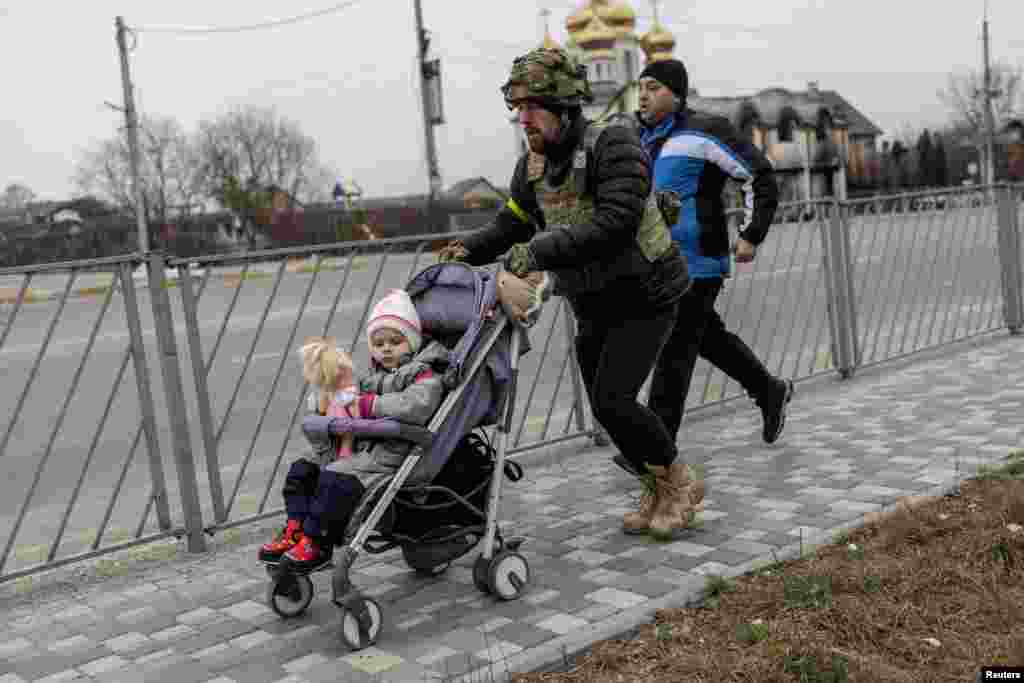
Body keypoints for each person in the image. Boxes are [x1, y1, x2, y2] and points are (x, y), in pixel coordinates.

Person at [438, 47, 701, 539]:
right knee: (605, 407)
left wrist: (539, 252)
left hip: (647, 291)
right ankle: (656, 487)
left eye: (532, 107)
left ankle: (681, 484)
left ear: (562, 106)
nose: (523, 119)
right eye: (518, 109)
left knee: (614, 398)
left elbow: (615, 222)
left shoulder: (613, 145)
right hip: (594, 297)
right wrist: (465, 249)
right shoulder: (532, 167)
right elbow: (511, 223)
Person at [633, 58, 793, 476]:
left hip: (698, 261)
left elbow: (759, 175)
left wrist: (751, 232)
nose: (643, 94)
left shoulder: (705, 130)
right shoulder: (641, 140)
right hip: (657, 264)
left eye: (653, 86)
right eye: (641, 87)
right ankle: (769, 391)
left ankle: (653, 451)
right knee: (707, 338)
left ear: (676, 93)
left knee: (674, 348)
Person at [258, 289, 448, 571]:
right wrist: (329, 401)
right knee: (303, 468)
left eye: (395, 342)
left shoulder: (424, 374)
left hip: (395, 454)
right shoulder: (373, 377)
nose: (386, 348)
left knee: (336, 478)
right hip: (361, 448)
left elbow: (415, 406)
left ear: (412, 342)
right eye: (378, 342)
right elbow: (348, 396)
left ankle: (317, 543)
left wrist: (369, 406)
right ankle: (296, 530)